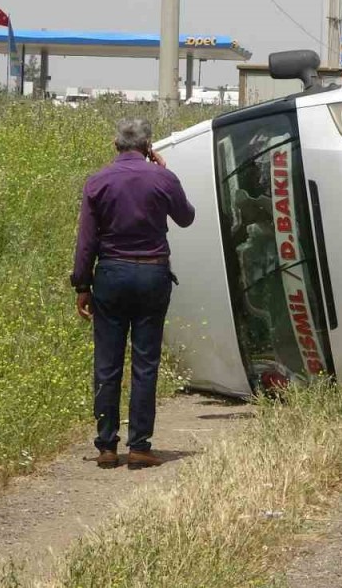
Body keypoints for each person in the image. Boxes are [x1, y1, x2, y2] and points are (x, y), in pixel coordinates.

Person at [71, 118, 195, 468]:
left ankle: (107, 446)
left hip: (111, 273)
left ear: (115, 145)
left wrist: (82, 284)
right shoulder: (162, 178)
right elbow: (186, 218)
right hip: (153, 273)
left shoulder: (97, 182)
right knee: (145, 361)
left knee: (107, 363)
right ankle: (140, 445)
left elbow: (86, 241)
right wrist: (166, 173)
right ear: (148, 147)